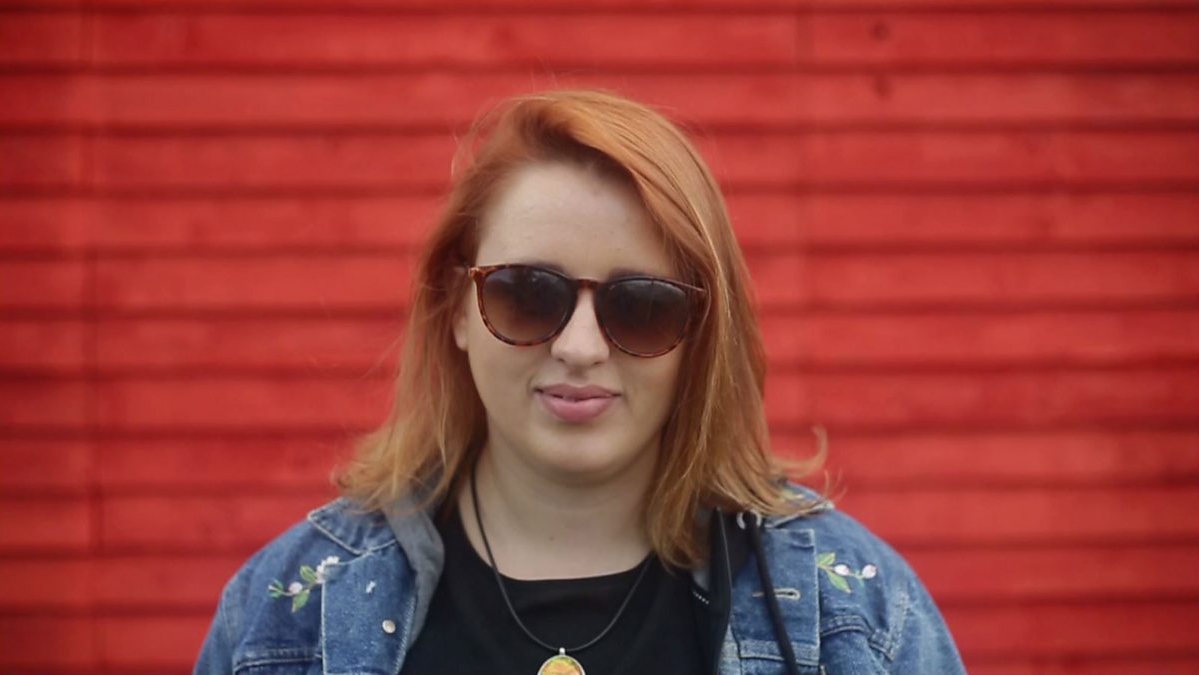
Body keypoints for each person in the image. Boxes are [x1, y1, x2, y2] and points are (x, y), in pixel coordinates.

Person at [194, 89, 966, 675]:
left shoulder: (854, 613)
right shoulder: (288, 612)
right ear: (456, 307)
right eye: (528, 293)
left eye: (643, 306)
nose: (580, 346)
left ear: (700, 334)